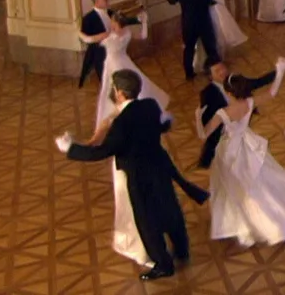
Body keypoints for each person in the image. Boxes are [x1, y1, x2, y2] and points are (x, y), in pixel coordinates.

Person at [56, 71, 193, 281]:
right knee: (170, 208)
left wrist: (70, 149)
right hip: (159, 166)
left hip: (139, 175)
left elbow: (102, 152)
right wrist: (167, 123)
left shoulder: (121, 123)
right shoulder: (150, 105)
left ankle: (164, 265)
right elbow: (157, 126)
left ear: (119, 93)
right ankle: (182, 250)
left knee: (147, 221)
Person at [195, 69, 285, 247]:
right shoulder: (249, 103)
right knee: (258, 180)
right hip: (249, 146)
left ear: (229, 93)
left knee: (235, 186)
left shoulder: (223, 113)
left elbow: (203, 135)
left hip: (230, 152)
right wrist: (281, 71)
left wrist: (197, 118)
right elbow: (272, 93)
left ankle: (244, 220)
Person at [165, 0, 220, 80]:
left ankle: (189, 74)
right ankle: (215, 69)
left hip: (188, 24)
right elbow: (213, 1)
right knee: (210, 48)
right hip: (204, 22)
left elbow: (172, 1)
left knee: (189, 49)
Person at [78, 0, 114, 88]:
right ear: (97, 1)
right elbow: (85, 37)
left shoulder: (111, 13)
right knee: (104, 78)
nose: (108, 2)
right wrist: (99, 37)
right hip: (99, 52)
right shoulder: (88, 18)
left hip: (113, 48)